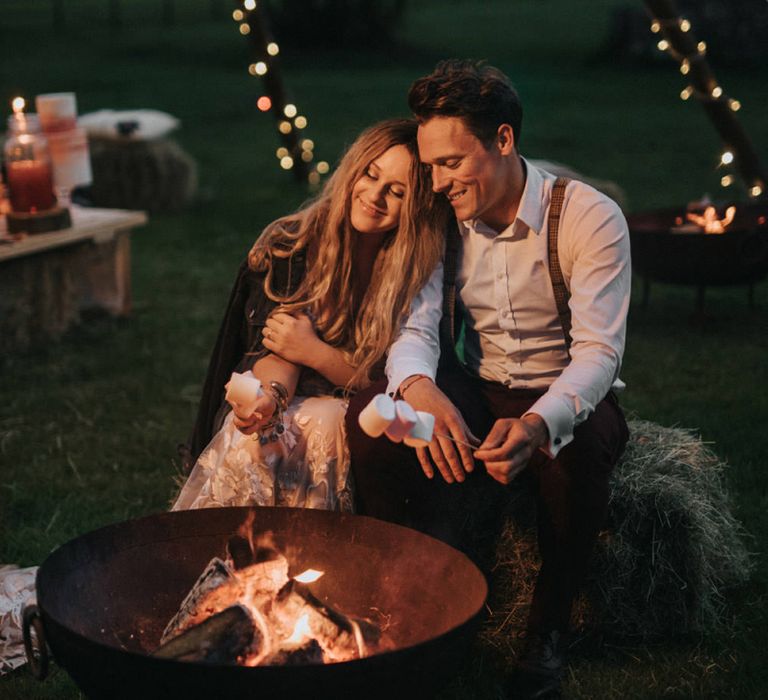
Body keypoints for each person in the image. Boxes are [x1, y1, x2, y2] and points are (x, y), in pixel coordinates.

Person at [345, 60, 631, 699]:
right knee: (372, 424)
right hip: (477, 384)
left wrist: (537, 424)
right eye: (429, 166)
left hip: (570, 393)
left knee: (571, 457)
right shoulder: (441, 217)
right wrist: (417, 389)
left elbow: (599, 353)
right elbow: (416, 328)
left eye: (451, 162)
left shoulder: (588, 217)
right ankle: (417, 602)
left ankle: (546, 634)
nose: (437, 183)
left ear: (503, 140)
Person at [173, 118, 451, 512]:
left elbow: (384, 390)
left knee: (327, 420)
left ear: (417, 207)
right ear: (353, 170)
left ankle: (320, 550)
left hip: (355, 411)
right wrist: (270, 398)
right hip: (287, 396)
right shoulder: (292, 247)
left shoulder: (416, 273)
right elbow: (276, 352)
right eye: (370, 175)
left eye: (397, 192)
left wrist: (316, 353)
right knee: (268, 437)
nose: (375, 195)